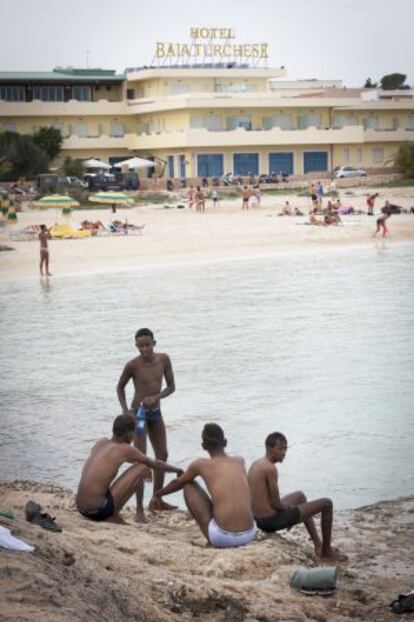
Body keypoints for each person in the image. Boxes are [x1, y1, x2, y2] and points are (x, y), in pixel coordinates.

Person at [151, 423, 256, 548]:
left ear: (203, 446)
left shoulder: (200, 464)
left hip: (223, 537)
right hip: (249, 534)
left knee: (188, 484)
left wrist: (157, 495)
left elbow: (177, 483)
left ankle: (211, 539)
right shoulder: (240, 461)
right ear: (225, 442)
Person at [248, 432, 346, 561]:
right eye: (280, 448)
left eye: (285, 448)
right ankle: (326, 551)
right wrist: (288, 509)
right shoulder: (270, 468)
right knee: (327, 503)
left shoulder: (257, 463)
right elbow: (275, 503)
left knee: (300, 496)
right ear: (269, 448)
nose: (284, 453)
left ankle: (318, 546)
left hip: (257, 519)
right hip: (269, 522)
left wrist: (288, 508)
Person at [76, 414, 182, 523]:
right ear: (128, 434)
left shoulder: (101, 443)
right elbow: (155, 464)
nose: (134, 436)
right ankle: (124, 514)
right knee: (142, 466)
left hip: (81, 508)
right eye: (134, 432)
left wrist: (143, 463)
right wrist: (178, 470)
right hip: (98, 511)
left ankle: (136, 511)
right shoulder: (125, 449)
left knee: (142, 465)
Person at [117, 328, 176, 522]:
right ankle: (139, 509)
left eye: (147, 345)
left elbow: (171, 387)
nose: (144, 349)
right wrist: (126, 412)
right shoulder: (132, 365)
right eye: (140, 345)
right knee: (141, 460)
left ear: (154, 343)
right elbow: (120, 387)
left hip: (155, 414)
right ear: (136, 346)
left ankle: (156, 499)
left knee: (162, 455)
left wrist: (156, 397)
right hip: (139, 417)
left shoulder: (164, 360)